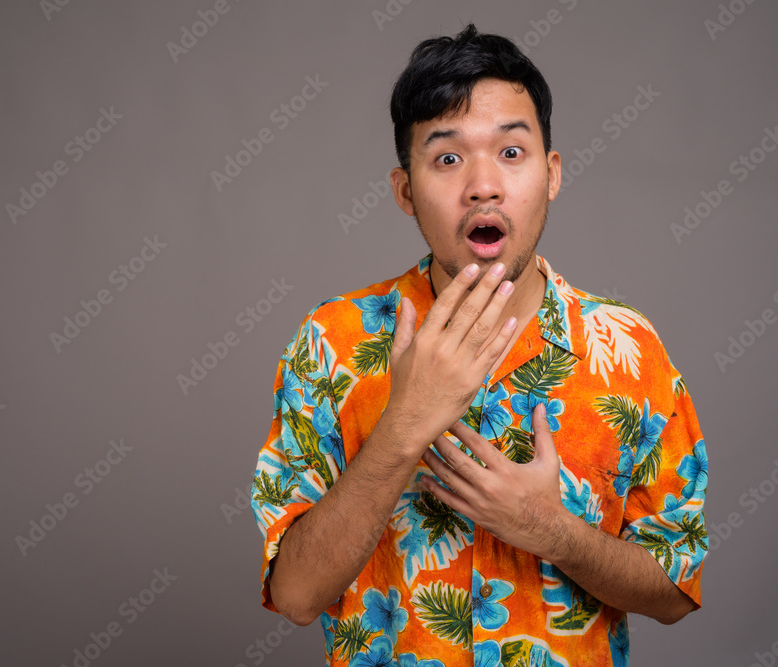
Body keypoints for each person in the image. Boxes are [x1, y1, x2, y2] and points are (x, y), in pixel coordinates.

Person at [251, 24, 708, 667]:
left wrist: (554, 533)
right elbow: (296, 595)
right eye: (447, 158)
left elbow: (676, 591)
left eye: (512, 153)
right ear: (405, 190)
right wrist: (403, 426)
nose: (483, 186)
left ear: (551, 174)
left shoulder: (627, 348)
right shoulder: (331, 341)